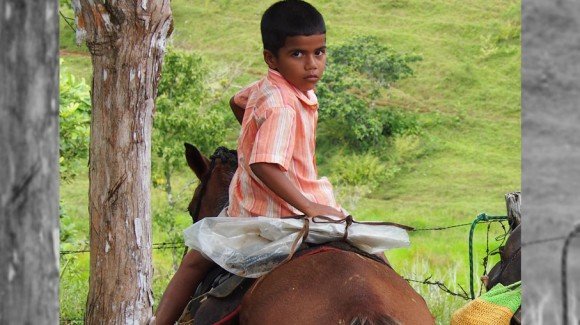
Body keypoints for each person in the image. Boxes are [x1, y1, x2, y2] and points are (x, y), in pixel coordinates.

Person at [152, 1, 343, 323]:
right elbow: (263, 165)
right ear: (272, 58)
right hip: (292, 208)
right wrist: (309, 207)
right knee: (370, 250)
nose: (312, 65)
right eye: (298, 54)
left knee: (194, 263)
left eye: (319, 53)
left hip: (257, 211)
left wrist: (255, 133)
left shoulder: (271, 89)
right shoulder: (284, 105)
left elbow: (237, 101)